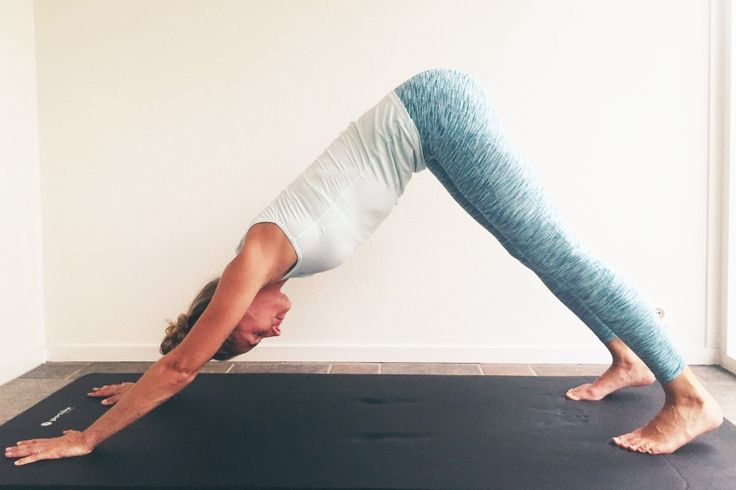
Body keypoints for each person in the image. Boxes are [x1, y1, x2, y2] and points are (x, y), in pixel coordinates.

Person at [4, 68, 723, 466]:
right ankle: (625, 354)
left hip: (432, 111)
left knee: (559, 251)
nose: (271, 335)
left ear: (225, 308)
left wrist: (85, 438)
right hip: (431, 124)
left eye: (251, 337)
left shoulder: (251, 259)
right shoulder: (270, 261)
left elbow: (184, 365)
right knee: (532, 251)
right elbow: (183, 358)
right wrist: (143, 380)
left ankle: (688, 394)